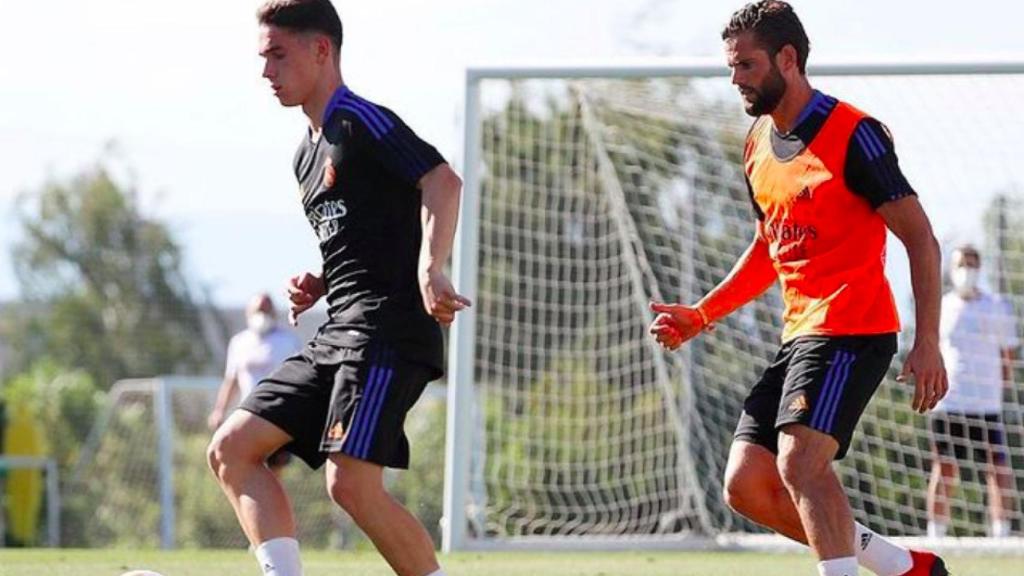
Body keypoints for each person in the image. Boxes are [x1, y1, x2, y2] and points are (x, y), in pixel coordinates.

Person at [649, 2, 950, 575]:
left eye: (747, 65)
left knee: (801, 464)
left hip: (854, 330)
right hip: (801, 333)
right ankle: (903, 567)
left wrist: (928, 339)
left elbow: (921, 238)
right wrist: (703, 314)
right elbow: (770, 248)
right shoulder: (756, 143)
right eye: (732, 66)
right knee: (744, 486)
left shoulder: (855, 135)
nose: (735, 78)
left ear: (788, 59)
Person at [206, 2, 469, 575]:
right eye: (262, 57)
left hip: (388, 331)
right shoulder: (305, 155)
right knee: (232, 449)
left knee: (349, 482)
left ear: (321, 49)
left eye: (278, 54)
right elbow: (370, 230)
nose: (266, 71)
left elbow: (442, 181)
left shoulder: (359, 121)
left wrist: (433, 267)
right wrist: (321, 279)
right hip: (338, 332)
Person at [927, 244, 1018, 538]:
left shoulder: (997, 306)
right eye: (961, 264)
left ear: (979, 269)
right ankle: (935, 533)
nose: (966, 270)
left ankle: (1000, 532)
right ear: (952, 270)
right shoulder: (941, 306)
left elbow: (1007, 356)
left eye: (971, 264)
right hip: (948, 401)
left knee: (997, 466)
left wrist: (1001, 392)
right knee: (945, 467)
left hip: (986, 403)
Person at [208, 293, 302, 473]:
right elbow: (232, 380)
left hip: (277, 416)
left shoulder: (288, 341)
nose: (262, 314)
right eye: (258, 310)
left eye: (266, 310)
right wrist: (219, 410)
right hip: (247, 414)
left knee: (273, 471)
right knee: (236, 463)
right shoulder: (239, 342)